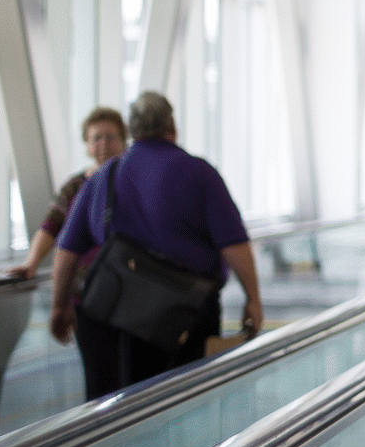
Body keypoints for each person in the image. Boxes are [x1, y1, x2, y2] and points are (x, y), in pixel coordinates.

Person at [49, 92, 263, 399]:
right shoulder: (198, 173)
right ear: (171, 126)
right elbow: (234, 244)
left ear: (132, 131)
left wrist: (59, 306)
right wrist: (252, 298)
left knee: (115, 407)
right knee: (186, 405)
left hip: (114, 312)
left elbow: (67, 251)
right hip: (186, 315)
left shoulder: (104, 177)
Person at [10, 106, 127, 280]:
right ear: (87, 144)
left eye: (110, 137)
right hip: (86, 281)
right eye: (96, 138)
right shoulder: (76, 186)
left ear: (124, 140)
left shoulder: (133, 182)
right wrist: (31, 263)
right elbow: (51, 224)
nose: (103, 144)